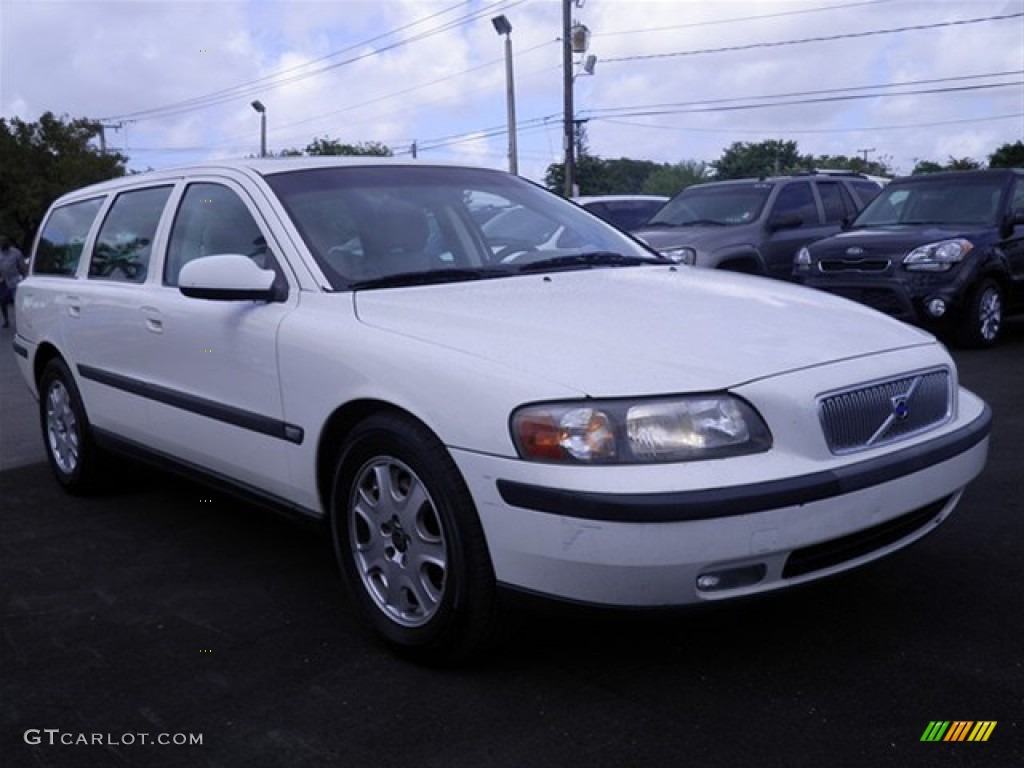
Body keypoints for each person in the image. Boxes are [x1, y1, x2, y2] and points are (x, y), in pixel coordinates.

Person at [0, 234, 27, 328]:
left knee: (17, 302)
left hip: (15, 279)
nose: (3, 245)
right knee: (2, 300)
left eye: (4, 243)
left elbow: (23, 267)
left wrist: (25, 278)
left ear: (8, 244)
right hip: (3, 280)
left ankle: (21, 321)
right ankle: (6, 320)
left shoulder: (16, 253)